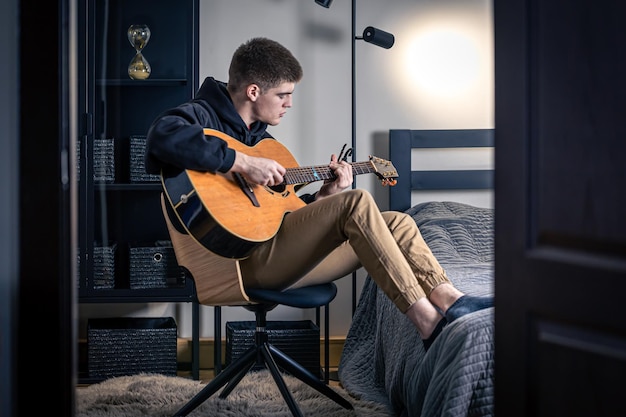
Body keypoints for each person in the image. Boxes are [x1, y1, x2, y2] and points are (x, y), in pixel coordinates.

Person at [145, 37, 492, 351]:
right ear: (253, 92)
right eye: (282, 95)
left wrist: (326, 196)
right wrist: (242, 163)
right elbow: (162, 137)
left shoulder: (264, 143)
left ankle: (450, 299)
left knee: (397, 223)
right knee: (356, 202)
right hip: (239, 265)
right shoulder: (201, 116)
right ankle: (427, 323)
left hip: (277, 253)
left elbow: (282, 218)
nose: (289, 104)